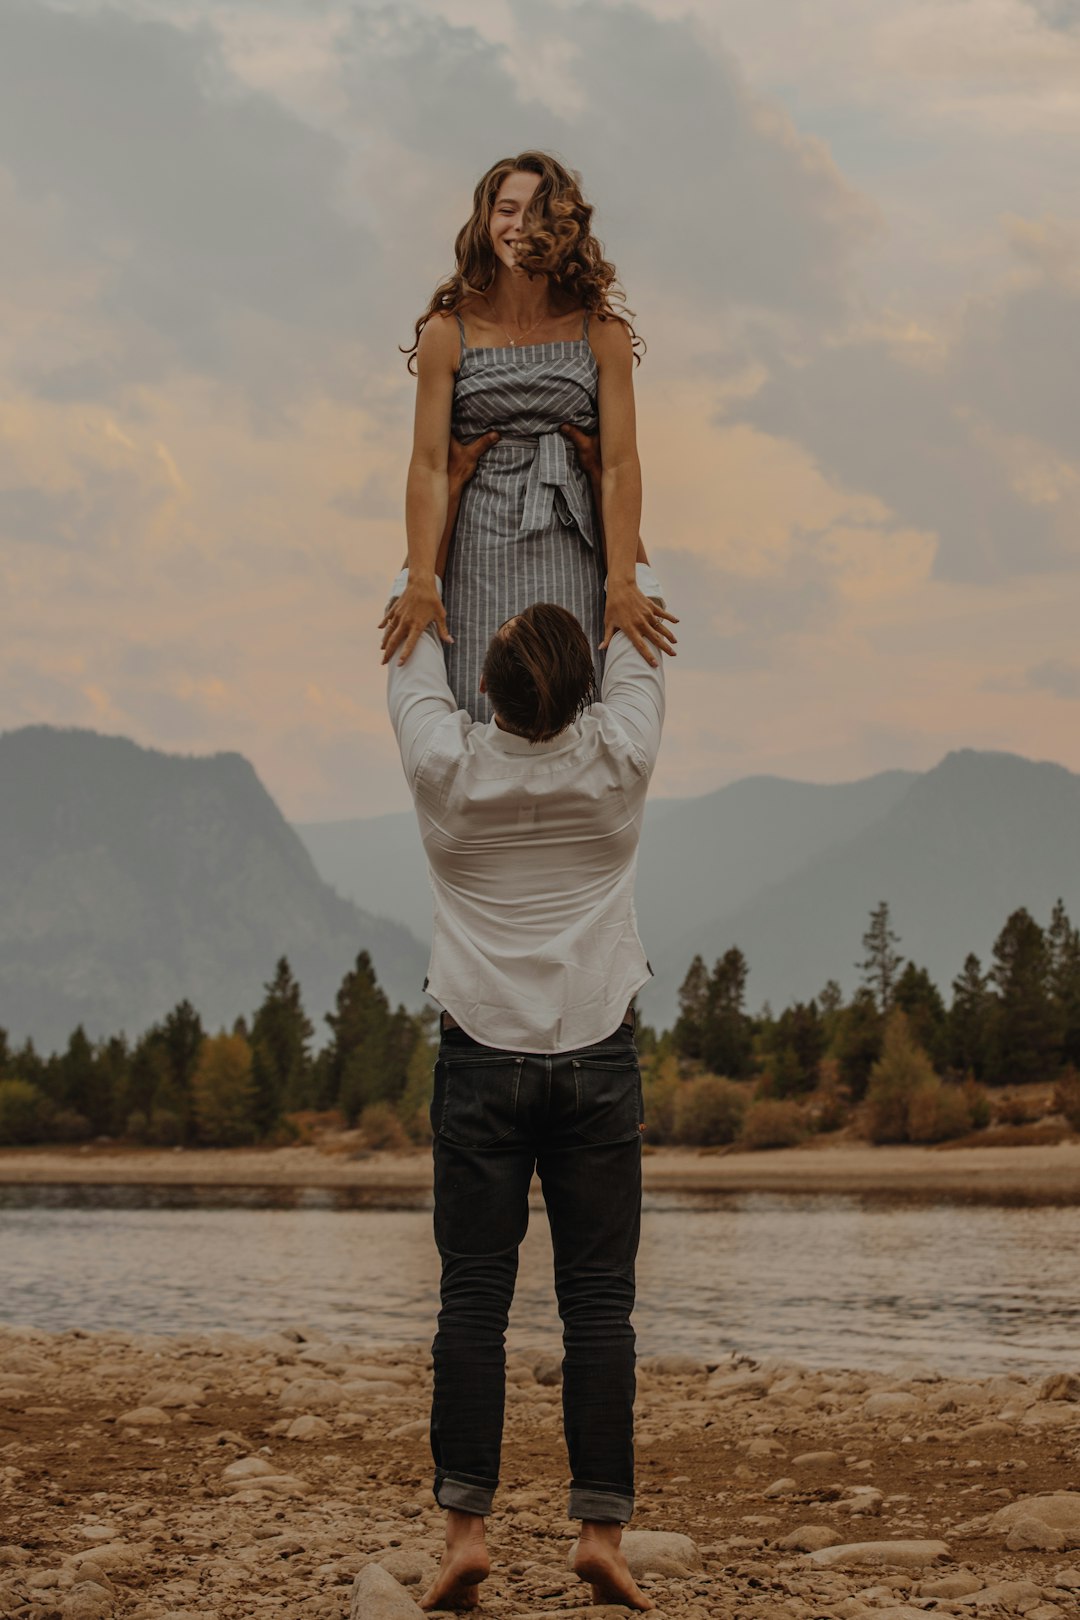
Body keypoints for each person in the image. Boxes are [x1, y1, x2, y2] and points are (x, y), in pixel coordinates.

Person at [384, 560, 670, 1613]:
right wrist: (624, 528)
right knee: (600, 1307)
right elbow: (638, 628)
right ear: (579, 694)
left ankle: (465, 1534)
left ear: (491, 693)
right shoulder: (619, 761)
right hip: (597, 1055)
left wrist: (428, 543)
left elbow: (409, 640)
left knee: (474, 1299)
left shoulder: (444, 771)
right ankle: (601, 1532)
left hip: (478, 1055)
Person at [381, 149, 676, 707]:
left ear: (562, 228)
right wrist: (422, 576)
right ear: (484, 221)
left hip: (574, 539)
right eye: (506, 209)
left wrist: (622, 580)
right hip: (475, 540)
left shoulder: (601, 331)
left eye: (537, 211)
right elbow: (427, 464)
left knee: (567, 697)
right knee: (475, 695)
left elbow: (618, 465)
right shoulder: (448, 332)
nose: (519, 225)